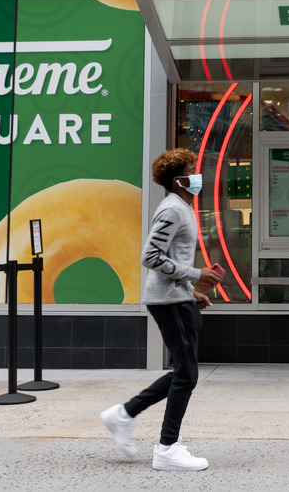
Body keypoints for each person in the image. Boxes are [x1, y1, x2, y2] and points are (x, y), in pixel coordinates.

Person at [100, 148, 224, 471]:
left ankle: (125, 415)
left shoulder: (181, 208)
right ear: (177, 179)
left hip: (176, 297)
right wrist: (197, 275)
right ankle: (166, 448)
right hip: (166, 301)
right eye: (190, 170)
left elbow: (173, 261)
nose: (197, 175)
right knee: (187, 373)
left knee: (184, 371)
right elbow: (150, 257)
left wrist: (192, 291)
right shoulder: (172, 209)